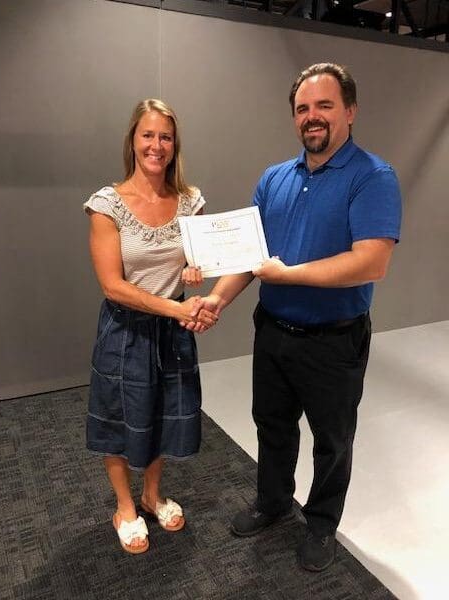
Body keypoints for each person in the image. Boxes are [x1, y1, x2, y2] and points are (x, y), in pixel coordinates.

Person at [192, 63, 402, 571]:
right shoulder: (273, 179)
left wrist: (290, 275)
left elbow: (371, 260)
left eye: (325, 106)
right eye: (303, 108)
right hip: (273, 331)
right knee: (272, 425)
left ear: (349, 111)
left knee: (332, 441)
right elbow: (250, 255)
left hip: (334, 341)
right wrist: (218, 298)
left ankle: (322, 524)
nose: (313, 117)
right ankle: (273, 501)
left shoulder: (373, 177)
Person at [83, 99, 216, 555]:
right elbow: (113, 287)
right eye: (148, 135)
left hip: (172, 330)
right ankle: (124, 506)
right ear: (133, 140)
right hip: (125, 331)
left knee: (162, 415)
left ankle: (152, 494)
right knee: (120, 421)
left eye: (165, 136)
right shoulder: (107, 204)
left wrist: (194, 275)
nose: (156, 145)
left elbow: (190, 267)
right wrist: (175, 308)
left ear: (174, 144)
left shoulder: (190, 202)